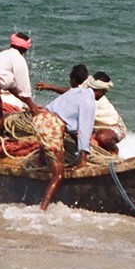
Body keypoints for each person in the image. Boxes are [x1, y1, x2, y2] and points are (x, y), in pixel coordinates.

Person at [38, 80, 96, 210]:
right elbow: (84, 130)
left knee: (46, 140)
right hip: (51, 126)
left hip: (41, 119)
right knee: (59, 174)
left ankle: (39, 162)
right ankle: (42, 209)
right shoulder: (88, 101)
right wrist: (83, 159)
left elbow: (69, 124)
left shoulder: (76, 92)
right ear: (101, 92)